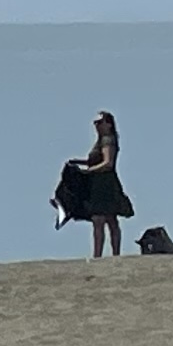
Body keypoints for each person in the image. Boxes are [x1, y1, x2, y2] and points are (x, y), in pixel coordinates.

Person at [49, 108, 132, 258]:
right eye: (95, 123)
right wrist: (79, 162)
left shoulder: (108, 140)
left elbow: (108, 163)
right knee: (105, 220)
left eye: (100, 122)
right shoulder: (100, 141)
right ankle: (106, 254)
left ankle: (105, 255)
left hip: (105, 184)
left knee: (104, 219)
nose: (97, 125)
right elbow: (96, 160)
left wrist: (88, 171)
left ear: (108, 124)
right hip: (99, 183)